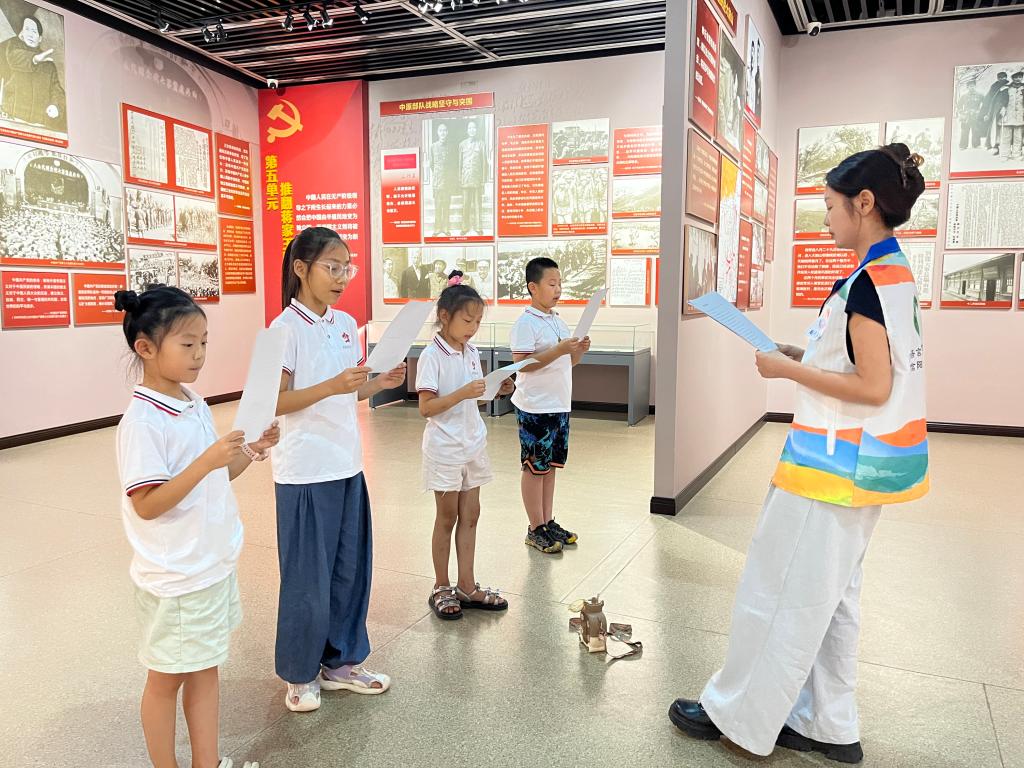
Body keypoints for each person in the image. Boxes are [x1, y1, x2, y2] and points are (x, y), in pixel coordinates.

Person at [669, 144, 930, 764]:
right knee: (830, 598)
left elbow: (873, 385)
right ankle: (827, 723)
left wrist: (787, 372)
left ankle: (740, 717)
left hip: (832, 469)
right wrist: (801, 353)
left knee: (778, 589)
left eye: (831, 207)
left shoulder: (869, 284)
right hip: (858, 467)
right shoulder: (890, 273)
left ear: (864, 204)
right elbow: (859, 361)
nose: (826, 220)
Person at [113, 285, 278, 768]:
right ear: (146, 348)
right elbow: (147, 504)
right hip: (177, 577)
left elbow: (216, 477)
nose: (200, 354)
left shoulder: (192, 402)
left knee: (206, 668)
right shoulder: (143, 422)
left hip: (209, 565)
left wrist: (251, 450)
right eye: (187, 344)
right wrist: (206, 460)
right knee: (166, 680)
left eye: (204, 342)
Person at [269, 227, 407, 713]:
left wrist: (380, 383)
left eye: (346, 267)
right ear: (300, 269)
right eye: (331, 267)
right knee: (307, 578)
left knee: (350, 570)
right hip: (304, 471)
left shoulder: (346, 324)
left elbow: (351, 392)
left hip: (347, 464)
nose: (342, 277)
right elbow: (275, 401)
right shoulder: (283, 330)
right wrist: (332, 384)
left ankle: (341, 663)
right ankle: (300, 673)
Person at [417, 271, 512, 620]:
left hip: (473, 444)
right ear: (445, 316)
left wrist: (496, 390)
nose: (473, 328)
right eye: (467, 320)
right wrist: (463, 393)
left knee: (471, 515)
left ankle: (467, 586)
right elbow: (426, 407)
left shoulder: (470, 351)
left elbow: (475, 397)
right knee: (447, 518)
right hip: (445, 448)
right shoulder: (432, 355)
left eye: (478, 322)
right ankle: (441, 586)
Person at [510, 257, 590, 554]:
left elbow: (568, 362)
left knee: (551, 466)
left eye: (560, 284)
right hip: (535, 407)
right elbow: (522, 364)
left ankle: (546, 521)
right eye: (552, 284)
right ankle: (534, 528)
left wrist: (578, 351)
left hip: (559, 404)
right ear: (533, 287)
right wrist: (559, 349)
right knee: (534, 467)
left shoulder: (558, 320)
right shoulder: (525, 324)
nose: (558, 289)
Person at [0, 15, 66, 130]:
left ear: (40, 38)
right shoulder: (10, 51)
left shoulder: (49, 66)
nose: (30, 34)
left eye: (34, 31)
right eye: (27, 29)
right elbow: (14, 58)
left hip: (39, 127)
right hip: (12, 121)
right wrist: (34, 59)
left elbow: (57, 91)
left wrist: (56, 106)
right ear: (21, 34)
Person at [459, 120, 488, 235]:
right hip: (466, 178)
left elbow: (484, 163)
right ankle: (464, 227)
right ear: (467, 130)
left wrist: (483, 180)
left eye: (474, 128)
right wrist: (460, 178)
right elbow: (460, 163)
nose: (472, 130)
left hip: (477, 178)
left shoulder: (481, 144)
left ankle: (478, 227)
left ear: (476, 130)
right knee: (465, 204)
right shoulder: (462, 144)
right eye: (470, 128)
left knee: (477, 204)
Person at [428, 123, 454, 236]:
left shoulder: (451, 147)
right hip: (438, 182)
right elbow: (432, 165)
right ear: (438, 133)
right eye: (440, 130)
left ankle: (446, 228)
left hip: (447, 182)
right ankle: (437, 229)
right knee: (438, 206)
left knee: (446, 206)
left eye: (444, 130)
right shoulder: (433, 147)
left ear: (447, 132)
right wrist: (438, 174)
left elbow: (453, 165)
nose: (442, 133)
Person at [980, 71, 1010, 153]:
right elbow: (988, 98)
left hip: (1004, 107)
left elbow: (1008, 98)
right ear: (997, 78)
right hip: (993, 108)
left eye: (1003, 77)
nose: (1002, 79)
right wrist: (986, 111)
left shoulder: (1008, 86)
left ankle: (999, 145)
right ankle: (991, 144)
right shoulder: (994, 86)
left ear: (1006, 77)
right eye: (1000, 77)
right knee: (993, 126)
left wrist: (1004, 106)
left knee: (1002, 126)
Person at [999, 71, 1024, 162]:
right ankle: (1005, 154)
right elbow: (1001, 101)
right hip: (1008, 115)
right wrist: (1002, 108)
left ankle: (1016, 154)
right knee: (1006, 136)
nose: (1018, 79)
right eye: (1016, 77)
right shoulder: (1006, 88)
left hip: (1020, 116)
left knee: (1018, 137)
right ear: (1012, 78)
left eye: (1020, 77)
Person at [957, 78, 985, 150]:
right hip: (966, 116)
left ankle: (976, 145)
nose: (971, 87)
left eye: (973, 86)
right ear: (967, 87)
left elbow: (985, 104)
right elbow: (959, 105)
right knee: (964, 131)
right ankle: (963, 145)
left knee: (976, 130)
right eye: (970, 86)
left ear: (975, 86)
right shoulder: (964, 96)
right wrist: (962, 112)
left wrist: (980, 112)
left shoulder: (980, 95)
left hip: (976, 116)